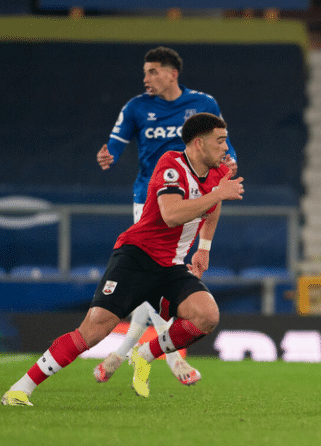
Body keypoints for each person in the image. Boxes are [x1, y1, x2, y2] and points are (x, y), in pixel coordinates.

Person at [2, 113, 244, 406]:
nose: (226, 147)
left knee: (207, 316)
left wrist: (204, 247)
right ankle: (20, 389)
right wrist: (217, 194)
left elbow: (214, 204)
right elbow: (171, 214)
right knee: (93, 331)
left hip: (171, 266)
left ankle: (144, 354)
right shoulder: (171, 164)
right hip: (136, 258)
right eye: (220, 141)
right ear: (198, 143)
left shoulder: (219, 172)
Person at [95, 46, 237, 387]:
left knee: (156, 280)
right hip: (150, 202)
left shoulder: (203, 103)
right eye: (145, 72)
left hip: (192, 197)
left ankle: (122, 354)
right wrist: (108, 154)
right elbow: (115, 142)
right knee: (158, 275)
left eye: (153, 71)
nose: (146, 78)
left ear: (172, 74)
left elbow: (223, 143)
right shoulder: (136, 107)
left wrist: (229, 161)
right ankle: (172, 358)